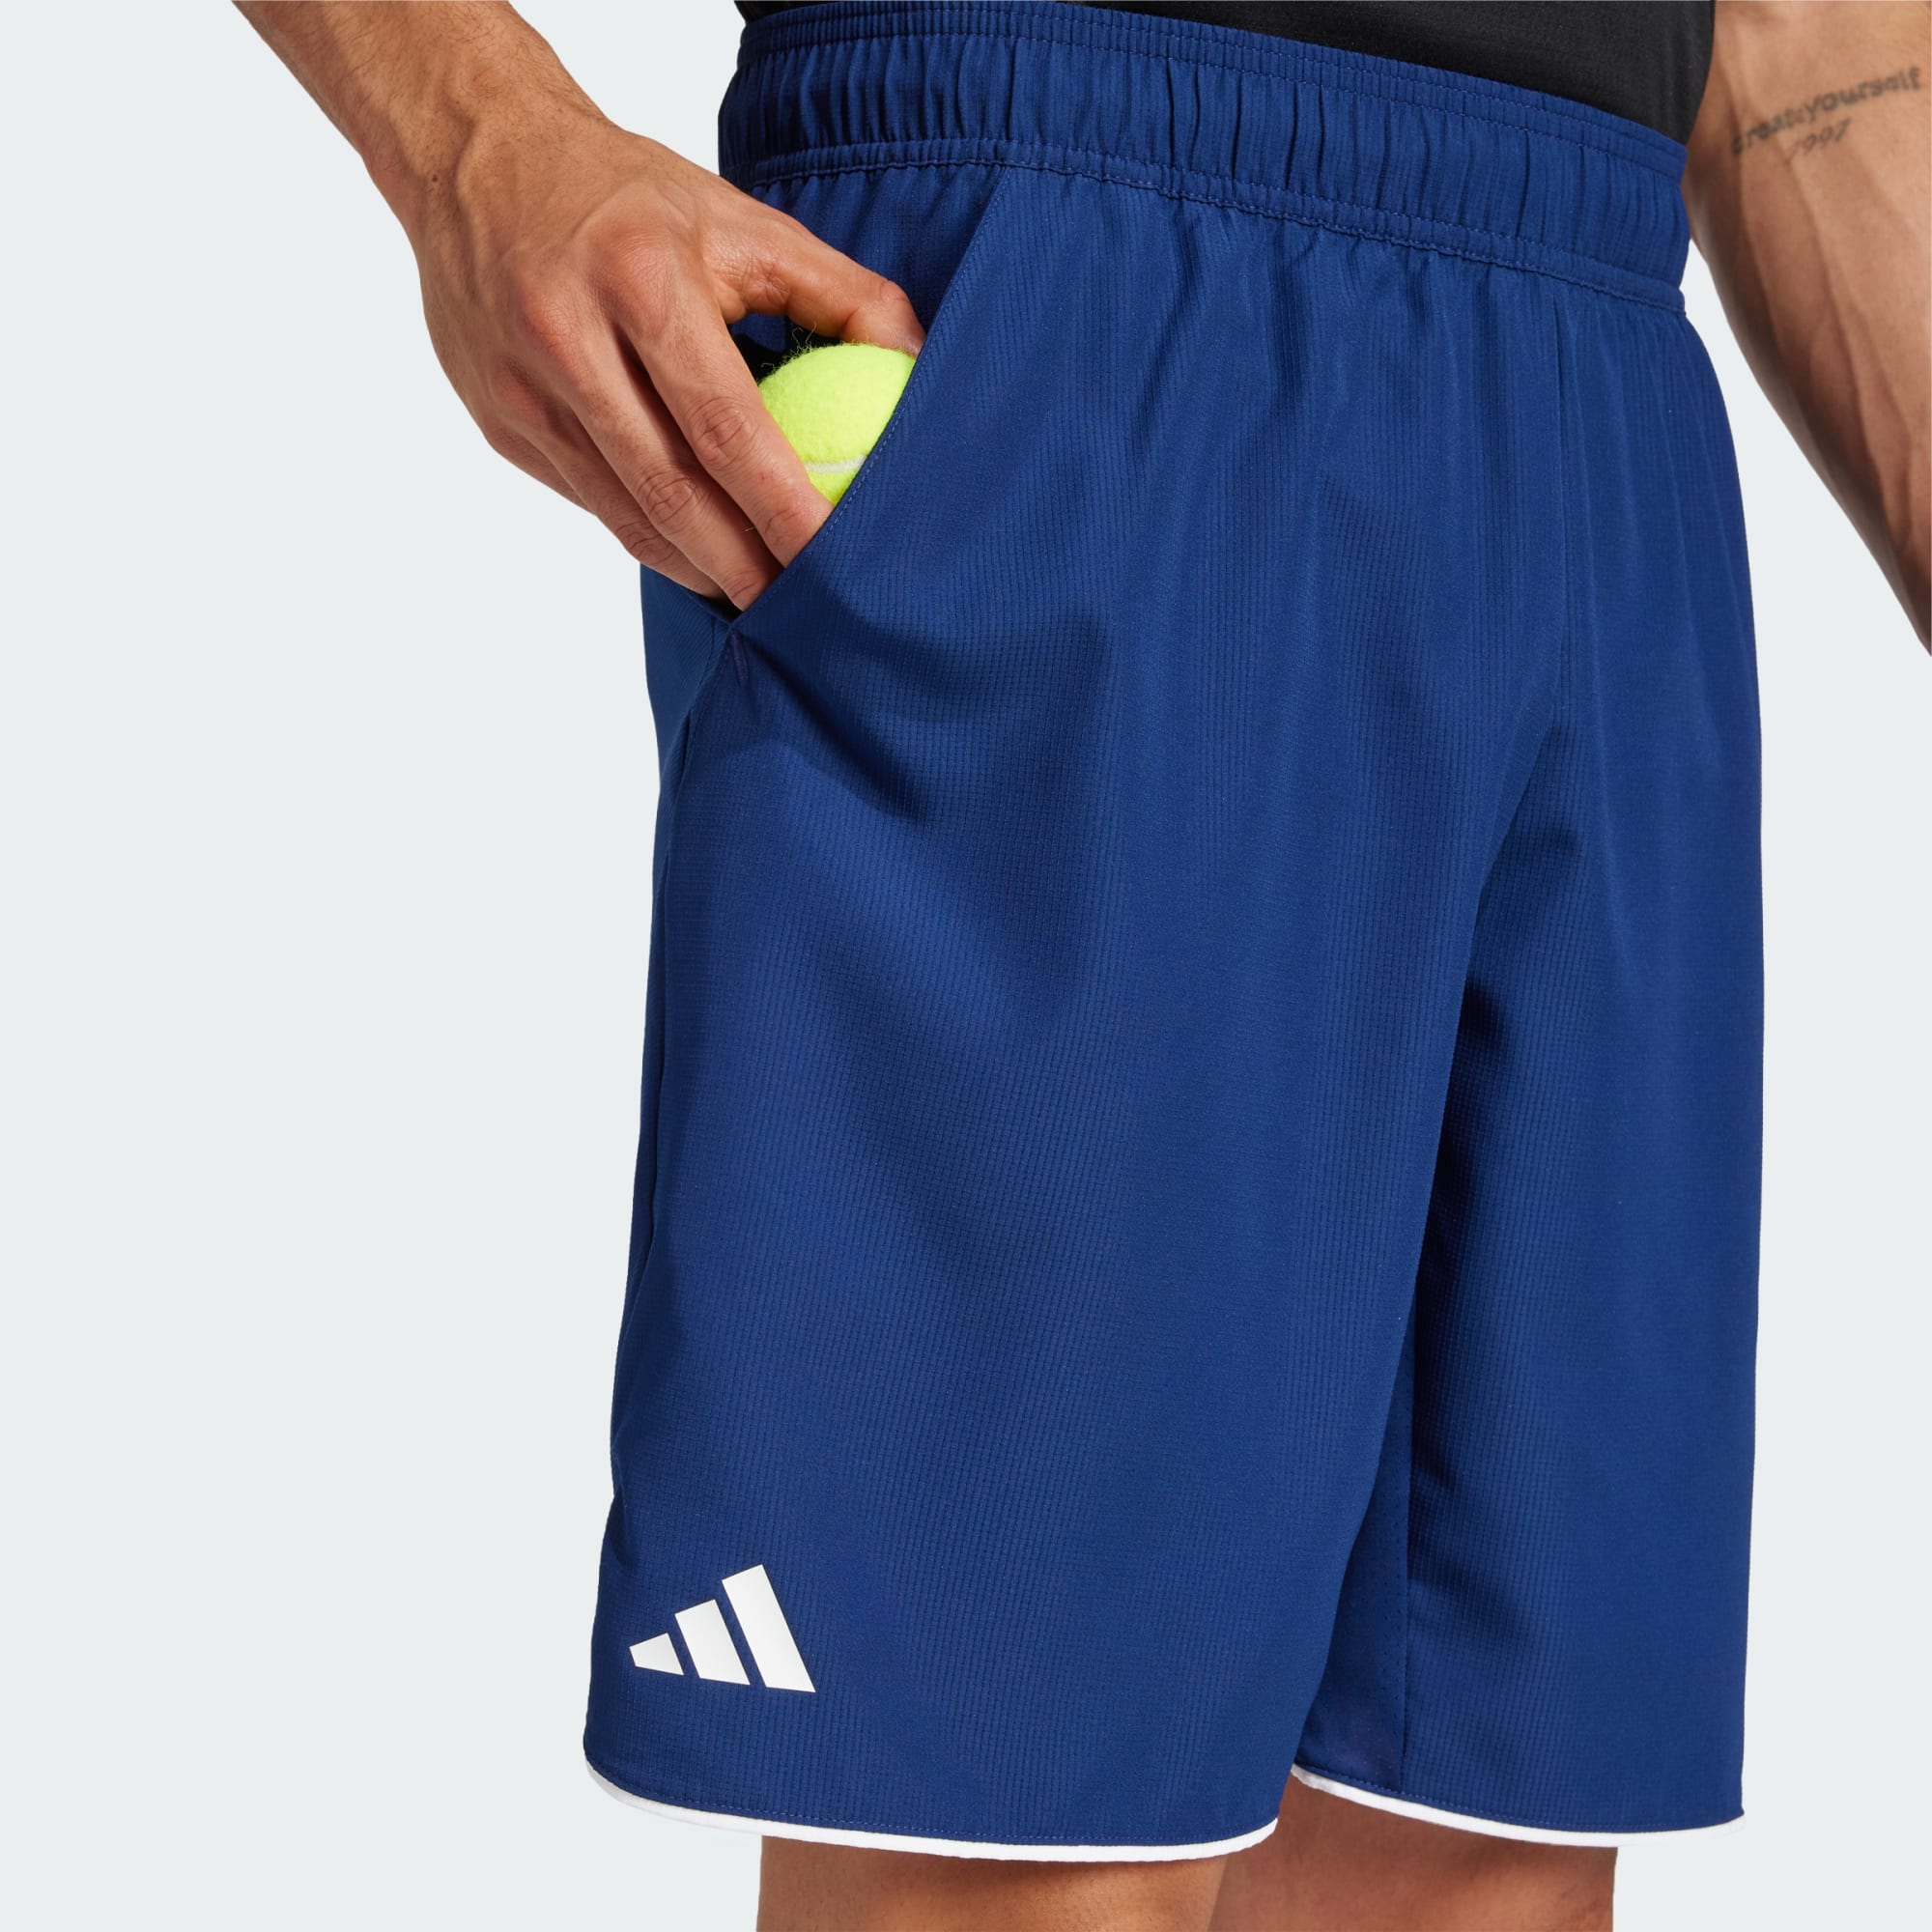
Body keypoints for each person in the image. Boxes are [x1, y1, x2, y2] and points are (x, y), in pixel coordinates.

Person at [238, 3, 1928, 1927]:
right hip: (1070, 256)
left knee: (1480, 1842)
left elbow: (1803, 38)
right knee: (1020, 1849)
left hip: (1595, 376)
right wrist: (475, 133)